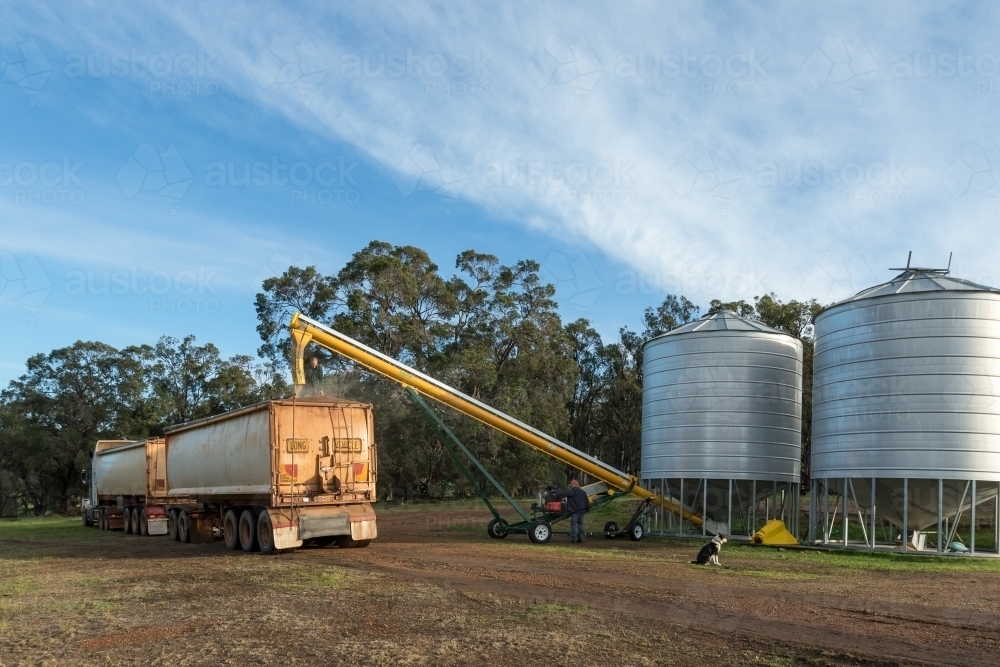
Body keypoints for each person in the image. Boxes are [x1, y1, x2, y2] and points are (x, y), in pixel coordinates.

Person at [554, 479, 589, 543]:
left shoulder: (572, 491)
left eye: (571, 484)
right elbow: (587, 502)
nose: (570, 485)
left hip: (575, 511)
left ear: (573, 485)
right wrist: (587, 510)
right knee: (580, 524)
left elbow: (562, 493)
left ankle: (574, 538)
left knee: (574, 524)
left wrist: (554, 491)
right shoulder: (583, 492)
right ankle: (581, 538)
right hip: (582, 511)